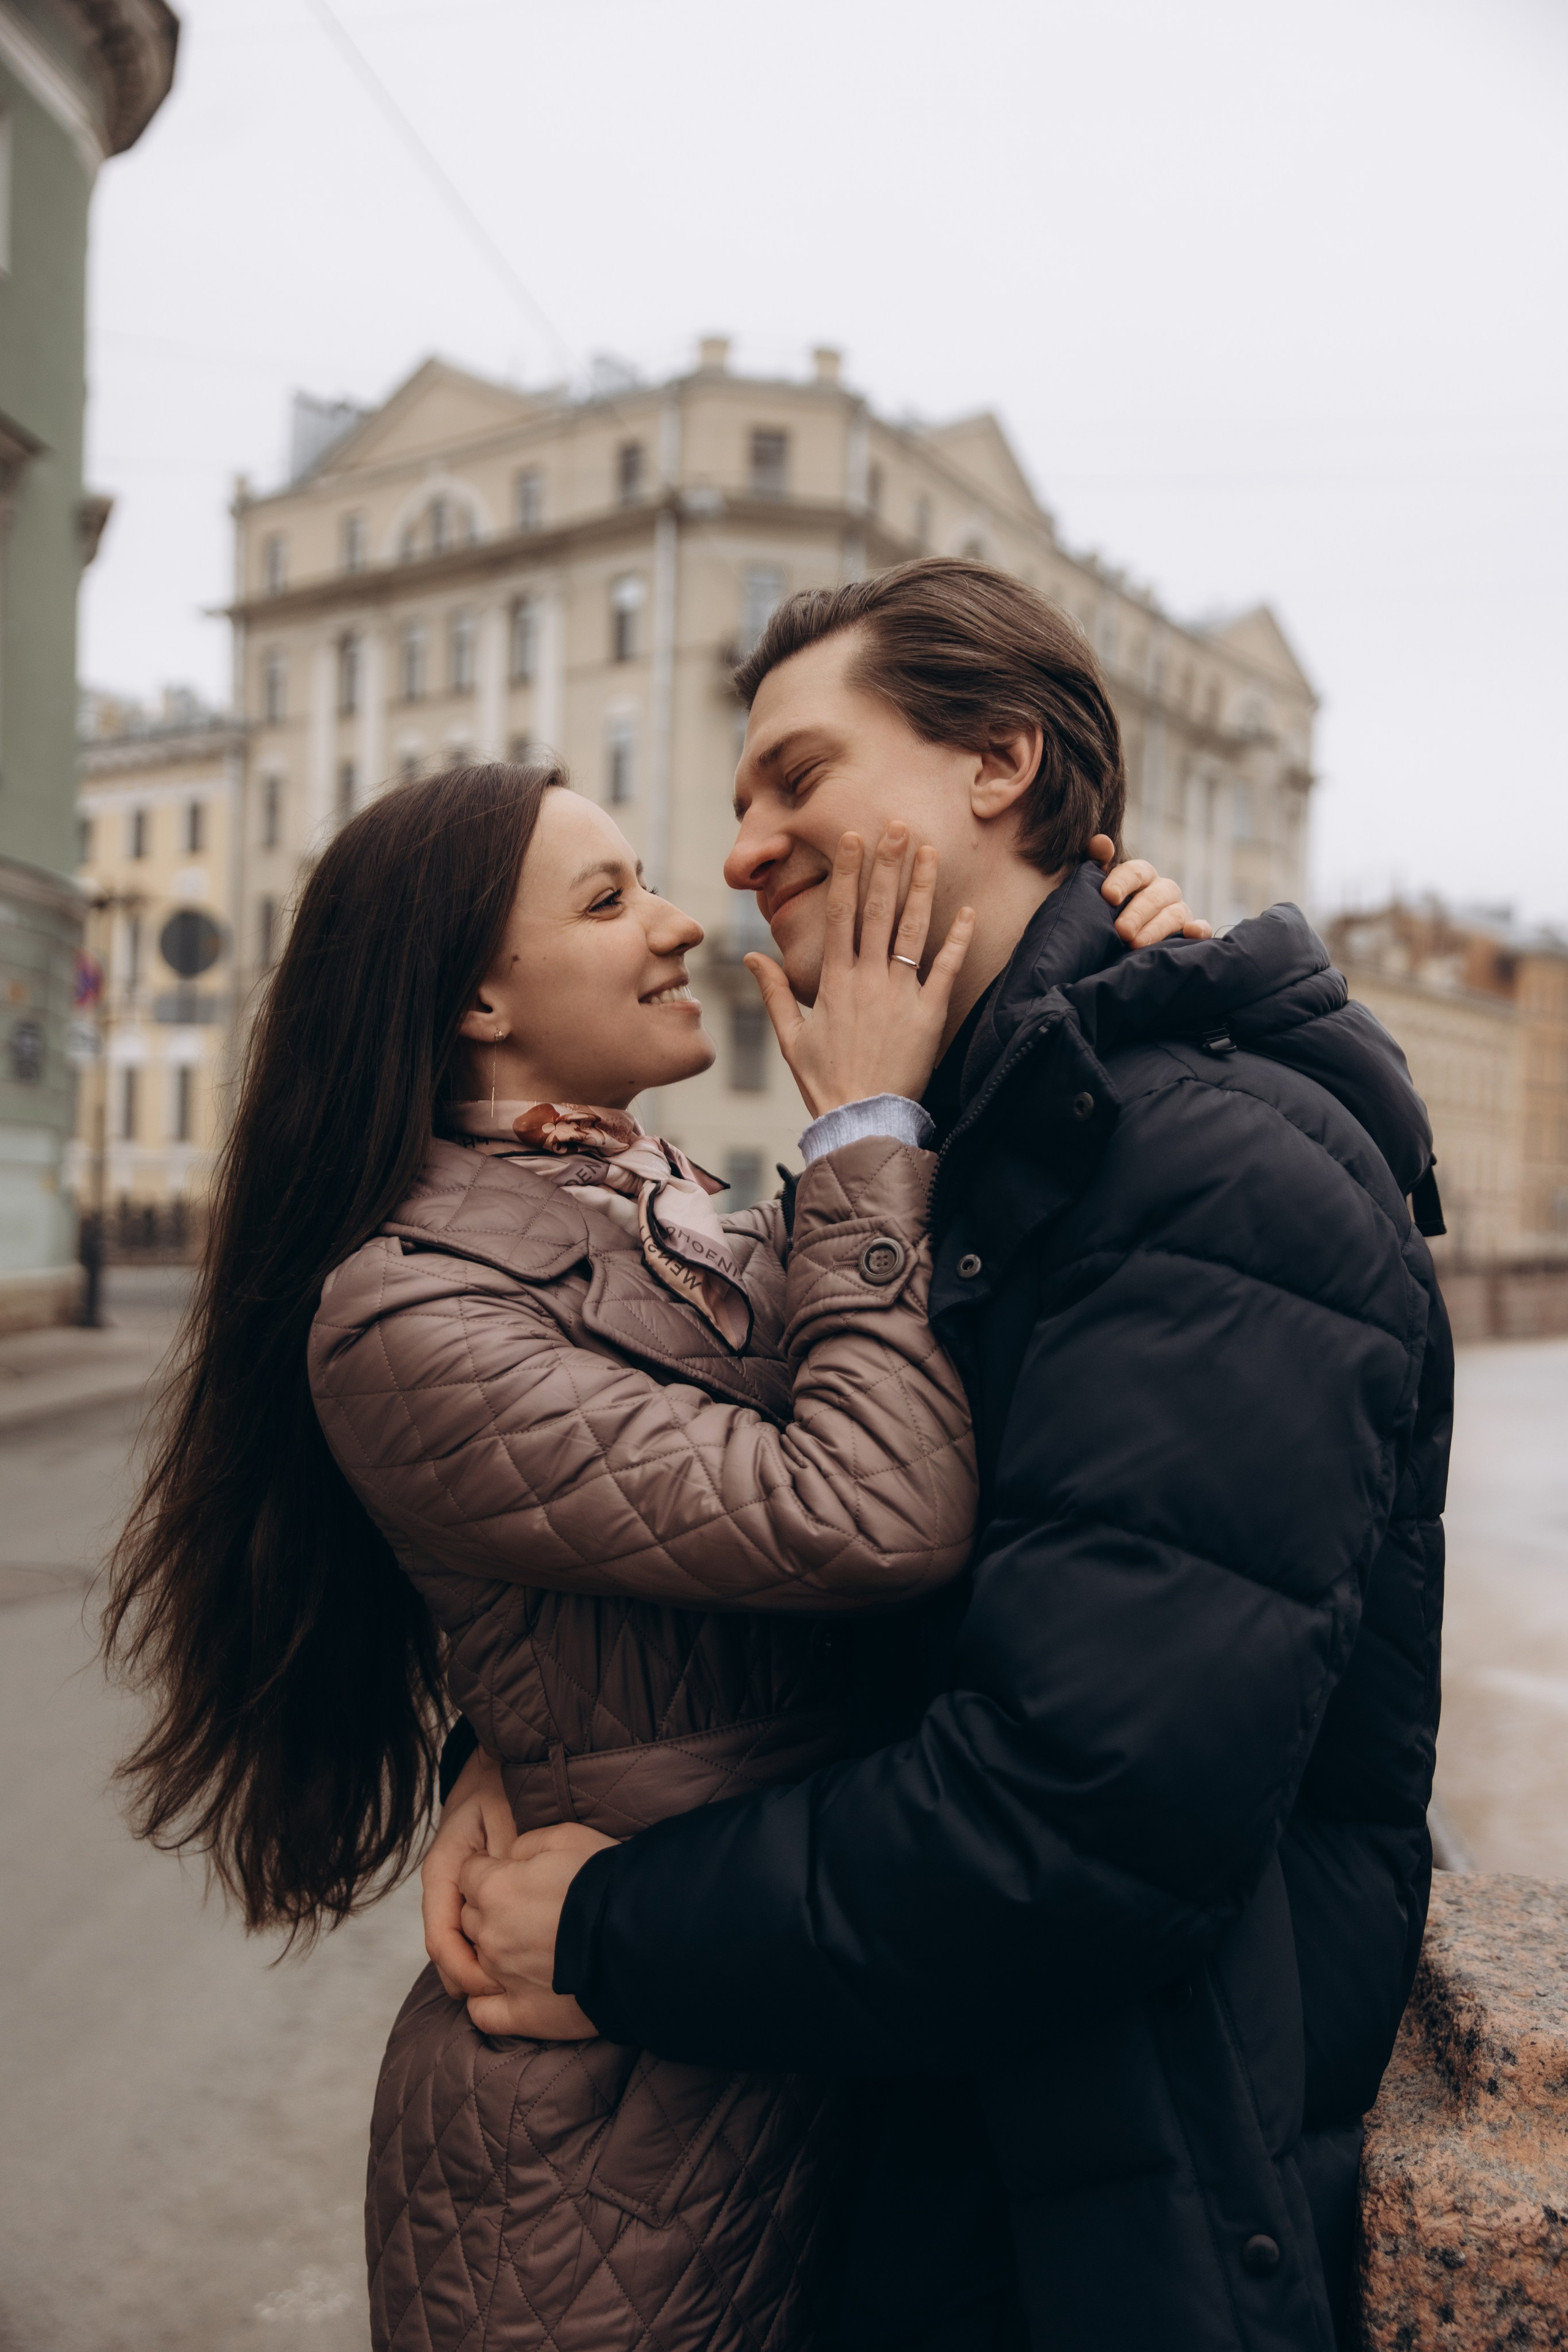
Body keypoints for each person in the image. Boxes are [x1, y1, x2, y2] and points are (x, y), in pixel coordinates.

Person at [428, 559, 1452, 2352]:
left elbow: (1074, 1826)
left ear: (1001, 762)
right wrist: (529, 1749)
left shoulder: (1214, 1176)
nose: (741, 851)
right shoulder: (985, 1153)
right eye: (738, 802)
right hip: (944, 2161)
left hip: (1098, 2225)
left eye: (798, 780)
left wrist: (606, 1928)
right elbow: (770, 1531)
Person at [101, 753, 1196, 2352]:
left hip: (763, 2014)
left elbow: (704, 1546)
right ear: (479, 997)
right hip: (599, 2169)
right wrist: (868, 1130)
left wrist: (1123, 979)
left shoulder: (662, 1202)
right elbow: (872, 1509)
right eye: (612, 900)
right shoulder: (406, 1310)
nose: (680, 923)